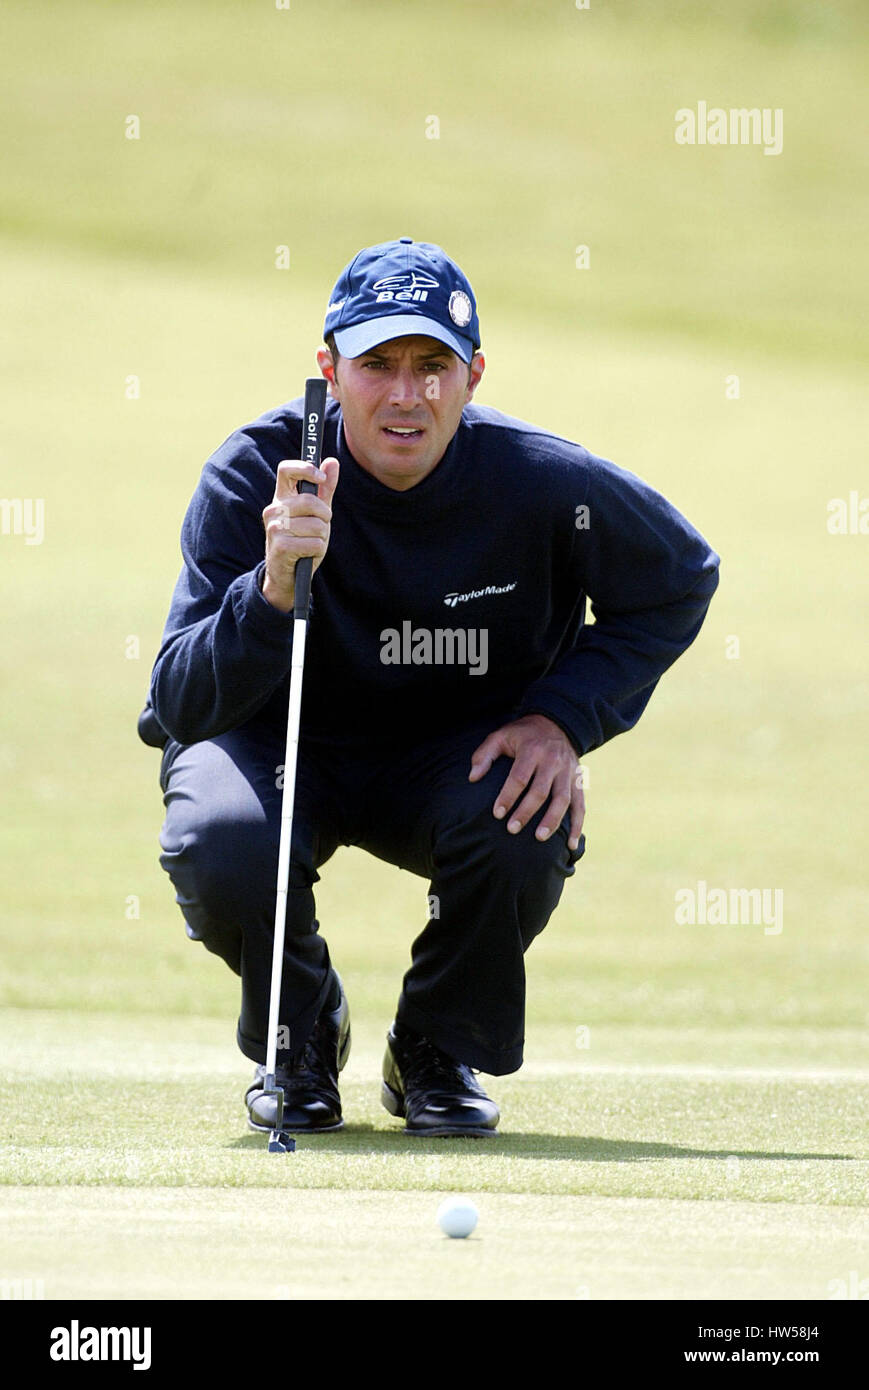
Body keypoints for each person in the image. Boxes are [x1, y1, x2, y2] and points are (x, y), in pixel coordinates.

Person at [138, 237, 720, 1139]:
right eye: (376, 365)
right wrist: (271, 587)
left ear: (473, 374)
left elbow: (680, 578)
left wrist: (560, 719)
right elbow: (178, 704)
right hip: (277, 748)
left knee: (524, 811)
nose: (406, 394)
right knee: (221, 839)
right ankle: (302, 1032)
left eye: (432, 365)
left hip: (453, 759)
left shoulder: (541, 481)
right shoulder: (257, 473)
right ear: (329, 370)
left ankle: (433, 1049)